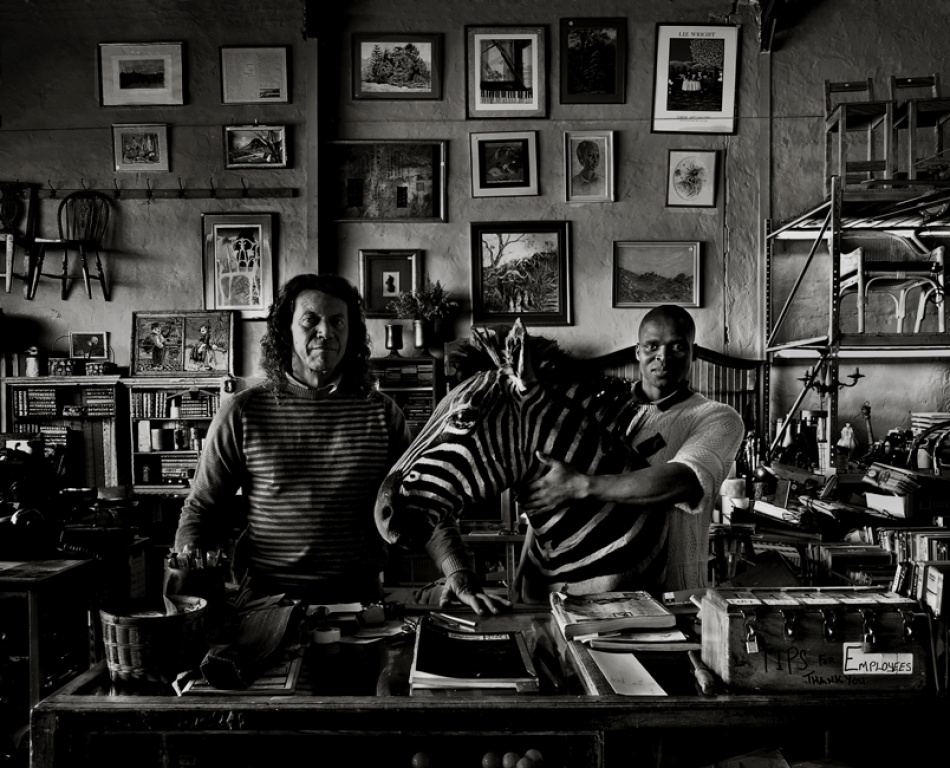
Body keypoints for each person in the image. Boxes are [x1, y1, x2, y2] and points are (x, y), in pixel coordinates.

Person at [174, 273, 506, 613]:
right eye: (310, 320)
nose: (326, 332)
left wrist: (459, 573)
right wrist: (188, 591)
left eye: (337, 322)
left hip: (360, 605)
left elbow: (421, 501)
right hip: (268, 606)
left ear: (351, 333)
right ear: (286, 329)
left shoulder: (382, 414)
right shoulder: (243, 411)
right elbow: (202, 509)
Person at [518, 305, 745, 595]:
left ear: (694, 353)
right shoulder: (600, 409)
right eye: (652, 346)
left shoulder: (718, 418)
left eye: (677, 346)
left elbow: (684, 480)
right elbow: (553, 493)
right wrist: (523, 572)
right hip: (577, 590)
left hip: (670, 594)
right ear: (638, 351)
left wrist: (582, 486)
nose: (663, 357)